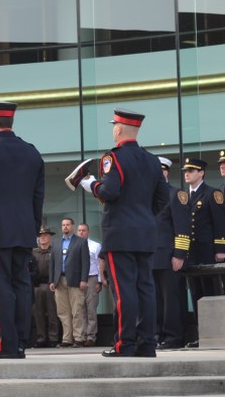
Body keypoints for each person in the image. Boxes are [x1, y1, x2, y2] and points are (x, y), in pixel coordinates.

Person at [77, 108, 167, 357]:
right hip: (145, 233)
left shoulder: (113, 158)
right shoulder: (152, 160)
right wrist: (142, 216)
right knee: (146, 289)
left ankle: (124, 344)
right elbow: (162, 199)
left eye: (113, 126)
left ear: (118, 128)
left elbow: (109, 192)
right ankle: (146, 344)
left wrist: (90, 184)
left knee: (124, 290)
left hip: (120, 234)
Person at [0, 101, 45, 359]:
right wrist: (33, 229)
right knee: (22, 286)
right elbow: (38, 197)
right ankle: (21, 342)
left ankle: (6, 344)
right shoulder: (32, 152)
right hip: (23, 232)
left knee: (0, 287)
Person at [180, 157, 225, 348]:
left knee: (211, 291)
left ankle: (218, 333)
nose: (187, 174)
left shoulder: (212, 194)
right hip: (191, 254)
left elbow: (220, 223)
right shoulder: (184, 197)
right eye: (185, 171)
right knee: (196, 293)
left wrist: (220, 249)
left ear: (201, 173)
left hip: (207, 252)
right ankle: (202, 334)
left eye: (191, 170)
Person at [153, 157, 191, 350]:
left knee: (171, 300)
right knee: (154, 300)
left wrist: (179, 254)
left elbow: (183, 228)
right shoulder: (147, 195)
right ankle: (157, 334)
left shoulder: (176, 194)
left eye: (161, 171)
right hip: (150, 257)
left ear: (166, 172)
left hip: (169, 256)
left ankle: (173, 337)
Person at [49, 218, 89, 348]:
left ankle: (79, 338)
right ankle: (67, 339)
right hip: (59, 280)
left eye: (67, 225)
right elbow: (52, 264)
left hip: (76, 280)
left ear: (73, 226)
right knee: (63, 312)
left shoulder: (81, 242)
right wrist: (51, 280)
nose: (65, 227)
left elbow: (85, 262)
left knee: (77, 310)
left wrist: (84, 279)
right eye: (63, 225)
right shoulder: (56, 243)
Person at [32, 225, 59, 348]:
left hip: (50, 286)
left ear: (50, 237)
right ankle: (41, 338)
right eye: (40, 236)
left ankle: (53, 338)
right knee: (38, 313)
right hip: (37, 286)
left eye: (45, 235)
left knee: (53, 312)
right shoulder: (33, 252)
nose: (42, 238)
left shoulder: (54, 252)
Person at [76, 223, 102, 347]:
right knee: (79, 309)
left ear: (88, 232)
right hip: (77, 279)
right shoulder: (74, 245)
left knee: (91, 309)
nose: (81, 233)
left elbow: (99, 264)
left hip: (91, 278)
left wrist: (100, 281)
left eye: (84, 230)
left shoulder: (95, 246)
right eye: (79, 230)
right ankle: (80, 336)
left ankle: (91, 337)